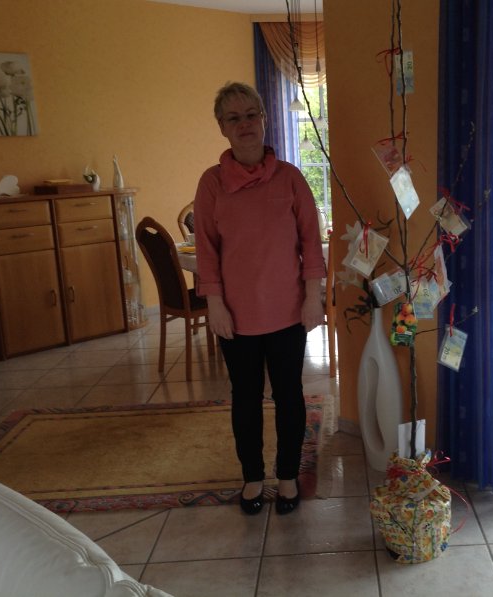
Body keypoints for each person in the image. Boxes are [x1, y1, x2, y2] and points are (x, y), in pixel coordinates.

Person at [194, 82, 326, 515]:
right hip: (236, 317)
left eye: (251, 114)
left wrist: (313, 298)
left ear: (265, 120)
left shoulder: (290, 178)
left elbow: (311, 243)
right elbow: (206, 251)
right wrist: (214, 304)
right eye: (234, 118)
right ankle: (252, 476)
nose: (245, 124)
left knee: (289, 396)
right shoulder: (212, 183)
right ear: (222, 127)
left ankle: (287, 475)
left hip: (288, 311)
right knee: (246, 399)